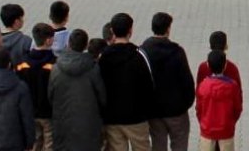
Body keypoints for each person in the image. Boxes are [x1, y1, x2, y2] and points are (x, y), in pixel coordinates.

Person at [98, 13, 155, 151]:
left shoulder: (103, 57)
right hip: (136, 117)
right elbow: (149, 86)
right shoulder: (139, 54)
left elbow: (99, 86)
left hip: (112, 118)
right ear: (131, 30)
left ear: (112, 31)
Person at [142, 13, 195, 151]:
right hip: (176, 111)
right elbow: (187, 82)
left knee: (158, 145)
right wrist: (185, 104)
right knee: (180, 144)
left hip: (154, 112)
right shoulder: (177, 52)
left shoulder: (143, 51)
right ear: (168, 29)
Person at [48, 30, 107, 151]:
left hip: (63, 122)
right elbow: (102, 97)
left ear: (69, 44)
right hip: (88, 124)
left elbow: (51, 95)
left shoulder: (56, 68)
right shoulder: (93, 68)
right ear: (85, 46)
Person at [16, 24, 57, 151]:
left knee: (34, 143)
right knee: (50, 144)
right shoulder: (54, 63)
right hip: (48, 111)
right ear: (48, 40)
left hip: (29, 110)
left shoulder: (22, 63)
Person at [196, 51, 242, 151]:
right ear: (225, 65)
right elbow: (237, 108)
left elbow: (199, 109)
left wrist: (203, 122)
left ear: (208, 65)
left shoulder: (203, 86)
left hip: (207, 129)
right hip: (226, 130)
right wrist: (231, 122)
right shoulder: (232, 86)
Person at [196, 33, 242, 104]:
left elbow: (199, 92)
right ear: (226, 46)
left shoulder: (203, 68)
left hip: (207, 109)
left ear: (210, 46)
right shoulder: (232, 68)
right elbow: (238, 94)